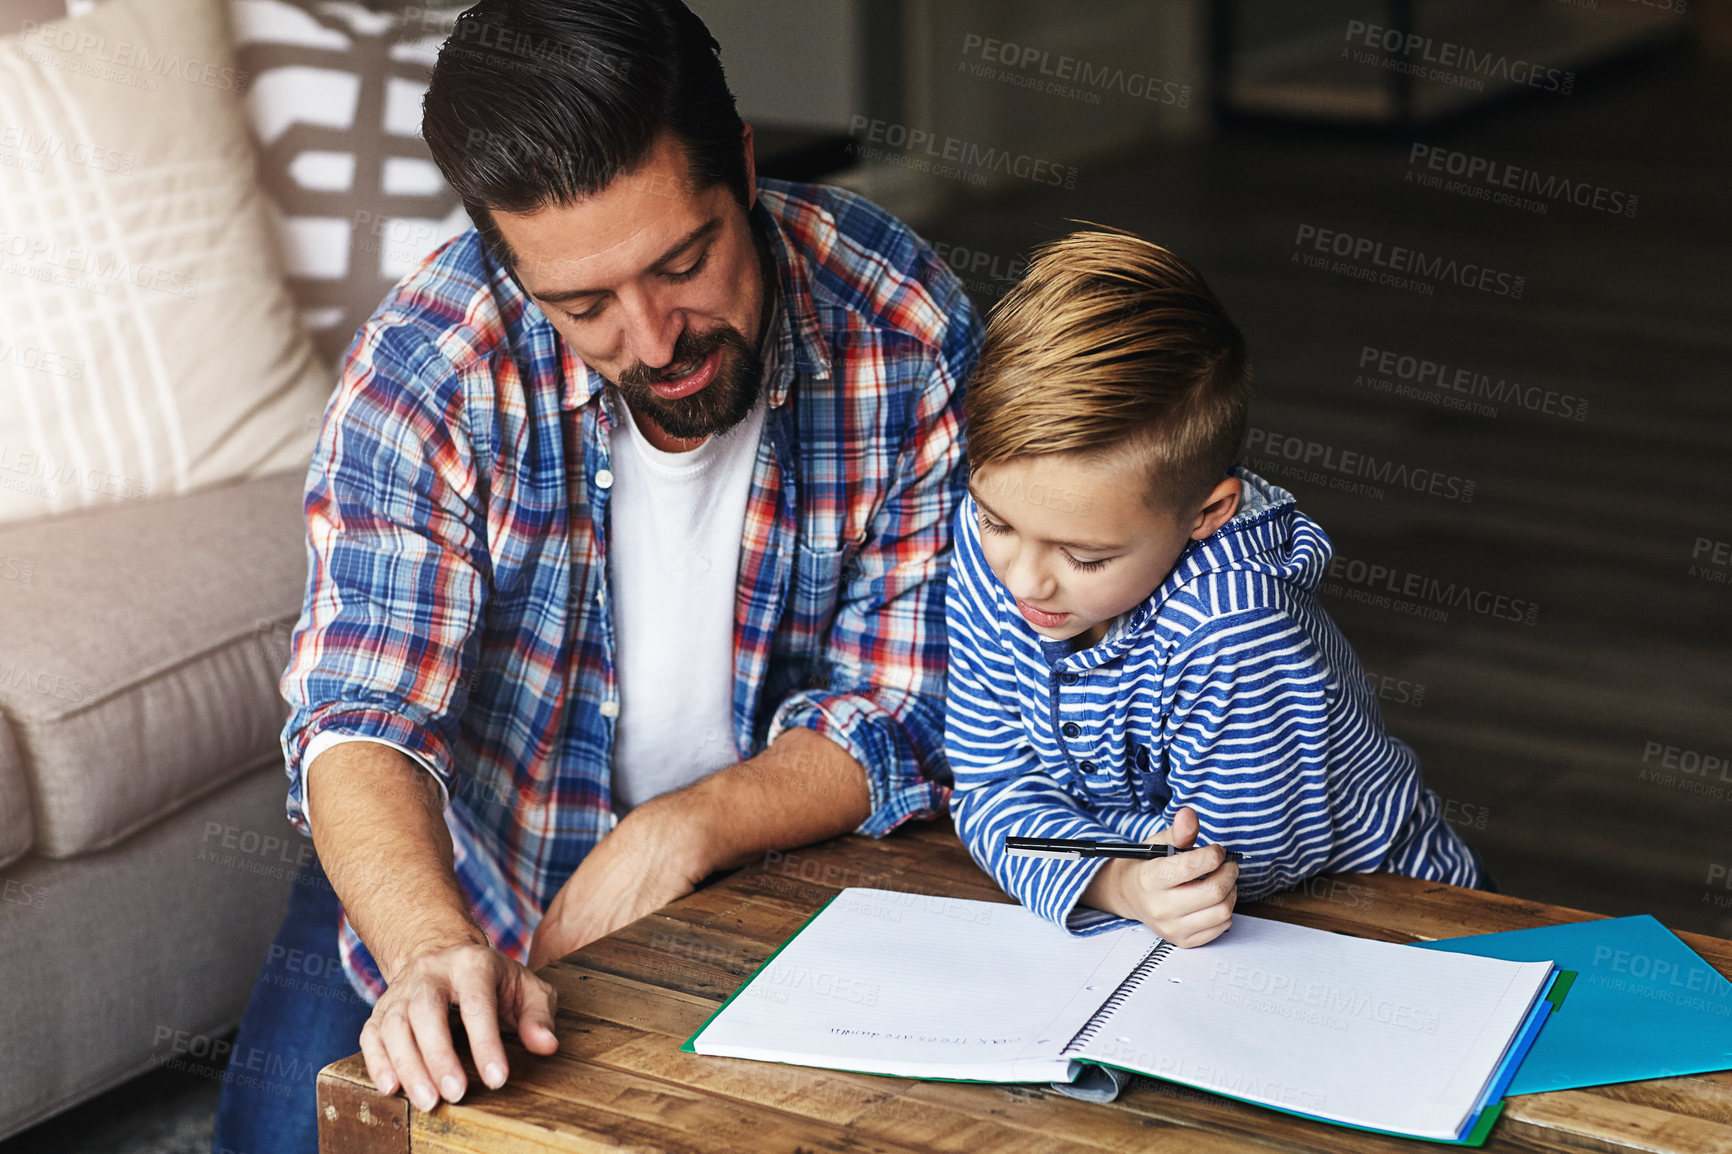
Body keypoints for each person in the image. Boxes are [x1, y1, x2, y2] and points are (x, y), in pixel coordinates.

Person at [212, 1, 979, 1150]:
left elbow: (910, 699)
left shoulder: (901, 324)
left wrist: (680, 831)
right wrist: (430, 947)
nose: (656, 337)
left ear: (748, 173)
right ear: (507, 263)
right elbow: (364, 714)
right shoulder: (429, 365)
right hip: (458, 863)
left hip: (768, 858)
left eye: (684, 262)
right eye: (583, 306)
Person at [944, 230, 1483, 951]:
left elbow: (1226, 865)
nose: (1023, 578)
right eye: (995, 521)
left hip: (1387, 927)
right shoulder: (993, 549)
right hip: (1164, 930)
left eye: (1085, 557)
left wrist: (1084, 846)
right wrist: (1113, 881)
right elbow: (986, 786)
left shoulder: (1235, 624)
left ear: (1207, 514)